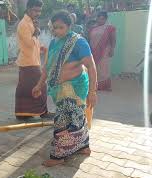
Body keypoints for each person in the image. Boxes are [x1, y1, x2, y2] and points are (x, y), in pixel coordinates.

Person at [32, 10, 97, 167]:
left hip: (74, 88)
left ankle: (58, 156)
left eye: (60, 27)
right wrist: (39, 85)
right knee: (77, 119)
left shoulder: (78, 42)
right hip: (59, 89)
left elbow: (91, 66)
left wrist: (92, 92)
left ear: (69, 26)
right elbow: (48, 68)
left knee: (62, 121)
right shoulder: (54, 42)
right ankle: (83, 147)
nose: (56, 31)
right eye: (54, 28)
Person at [15, 0, 52, 119]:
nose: (38, 13)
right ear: (28, 9)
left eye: (39, 10)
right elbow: (29, 43)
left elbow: (32, 43)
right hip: (29, 62)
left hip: (30, 60)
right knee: (42, 85)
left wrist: (40, 47)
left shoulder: (31, 22)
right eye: (35, 10)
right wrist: (36, 33)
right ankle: (43, 112)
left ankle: (22, 113)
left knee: (25, 88)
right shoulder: (23, 24)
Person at [89, 11, 116, 91]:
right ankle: (95, 85)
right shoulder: (93, 28)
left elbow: (113, 39)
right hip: (93, 51)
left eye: (102, 19)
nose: (100, 20)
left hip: (105, 51)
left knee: (104, 68)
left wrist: (112, 49)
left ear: (106, 19)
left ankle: (106, 86)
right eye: (99, 18)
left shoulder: (110, 28)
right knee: (95, 68)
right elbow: (90, 39)